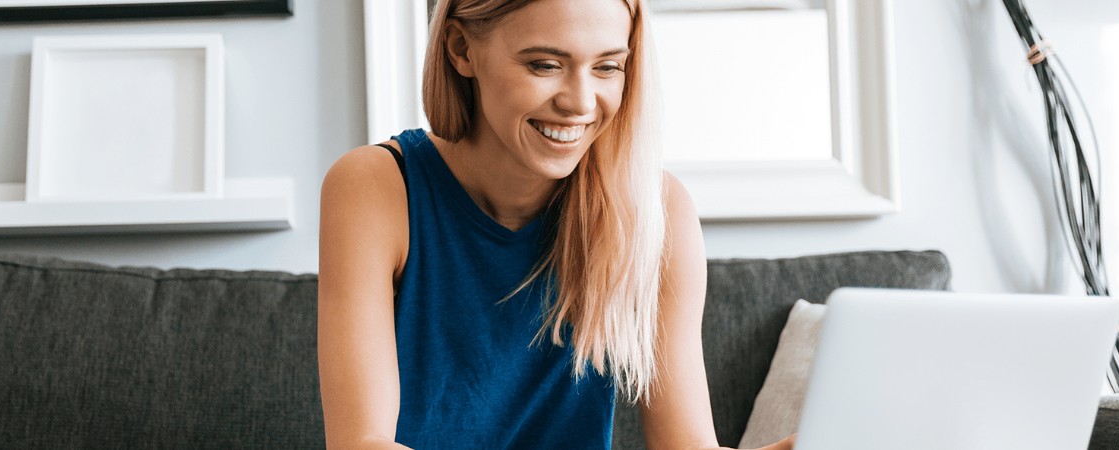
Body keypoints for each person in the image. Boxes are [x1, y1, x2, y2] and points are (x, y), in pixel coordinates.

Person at [319, 0, 797, 448]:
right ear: (461, 49)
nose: (580, 103)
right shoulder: (376, 188)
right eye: (544, 65)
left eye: (607, 67)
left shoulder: (658, 209)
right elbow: (361, 443)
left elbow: (686, 444)